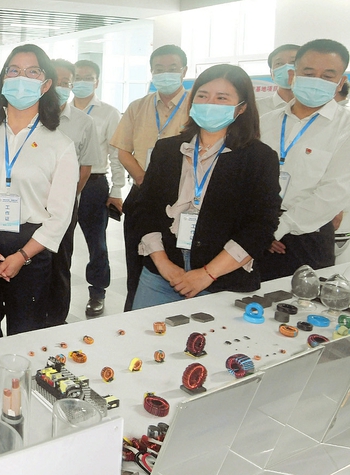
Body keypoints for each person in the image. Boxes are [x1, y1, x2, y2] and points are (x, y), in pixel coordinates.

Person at [0, 44, 78, 341]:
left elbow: (60, 215)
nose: (21, 77)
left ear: (45, 84)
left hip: (31, 248)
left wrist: (22, 256)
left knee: (26, 337)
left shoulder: (60, 144)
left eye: (32, 71)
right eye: (14, 70)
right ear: (3, 80)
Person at [131, 65, 280, 308]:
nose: (210, 103)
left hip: (222, 277)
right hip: (161, 274)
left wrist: (208, 274)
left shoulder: (259, 157)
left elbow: (261, 226)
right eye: (202, 95)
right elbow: (145, 209)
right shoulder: (167, 149)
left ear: (241, 107)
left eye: (222, 98)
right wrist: (163, 264)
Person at [256, 39, 350, 281]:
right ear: (293, 75)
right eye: (309, 73)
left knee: (304, 302)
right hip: (255, 231)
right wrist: (258, 228)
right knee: (243, 300)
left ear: (340, 82)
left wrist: (277, 228)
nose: (317, 81)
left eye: (327, 76)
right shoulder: (265, 122)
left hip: (308, 237)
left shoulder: (346, 127)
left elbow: (334, 191)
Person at [110, 44, 192, 311]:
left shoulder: (196, 106)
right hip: (142, 192)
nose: (165, 73)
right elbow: (123, 150)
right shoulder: (138, 106)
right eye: (159, 69)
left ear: (184, 71)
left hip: (182, 197)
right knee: (137, 263)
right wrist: (144, 179)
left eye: (172, 68)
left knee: (177, 262)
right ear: (151, 72)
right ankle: (133, 312)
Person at [44, 59, 101, 327]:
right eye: (56, 81)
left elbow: (85, 168)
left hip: (65, 206)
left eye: (66, 82)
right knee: (31, 261)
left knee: (60, 262)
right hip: (29, 204)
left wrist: (65, 198)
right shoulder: (30, 115)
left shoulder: (83, 122)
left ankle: (57, 320)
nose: (61, 87)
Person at [71, 59, 124, 318]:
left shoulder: (109, 113)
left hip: (94, 184)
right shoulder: (59, 111)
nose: (81, 82)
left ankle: (98, 292)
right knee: (56, 241)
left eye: (87, 77)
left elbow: (116, 153)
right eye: (77, 77)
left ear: (97, 81)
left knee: (97, 244)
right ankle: (52, 289)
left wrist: (117, 189)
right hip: (62, 183)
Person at [255, 44, 299, 117]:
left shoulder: (315, 107)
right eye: (279, 63)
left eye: (293, 62)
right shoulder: (257, 108)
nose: (287, 68)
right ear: (271, 73)